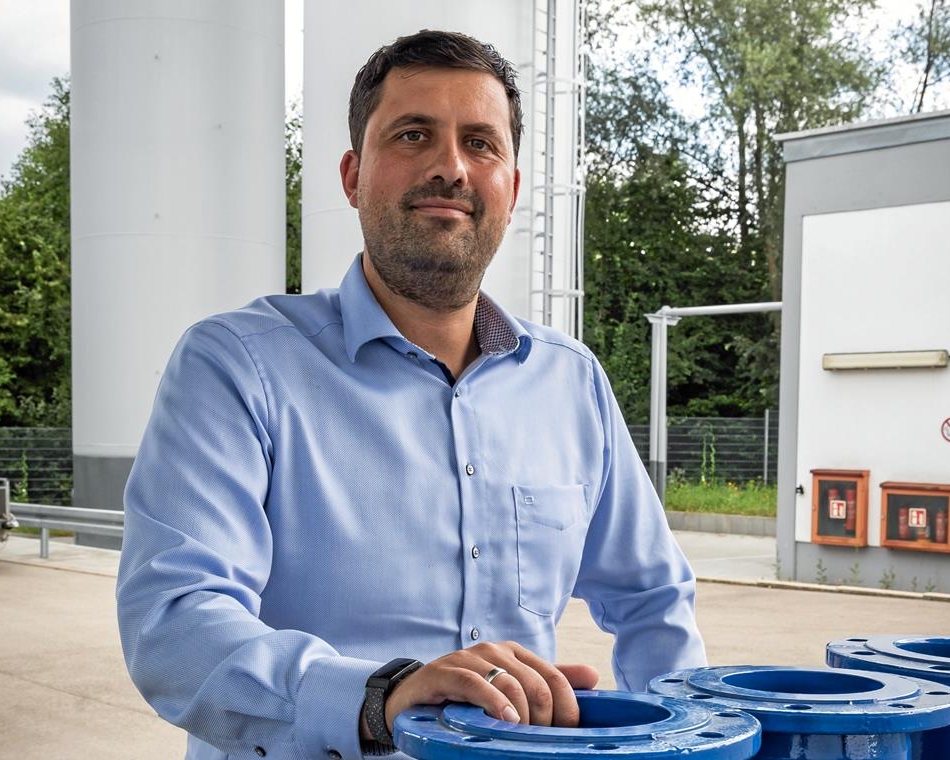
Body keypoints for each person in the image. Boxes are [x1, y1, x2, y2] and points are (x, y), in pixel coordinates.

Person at [117, 29, 705, 760]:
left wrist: (680, 740)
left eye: (481, 143)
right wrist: (378, 697)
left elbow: (654, 601)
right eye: (413, 134)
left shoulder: (570, 382)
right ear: (353, 176)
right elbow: (173, 622)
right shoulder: (238, 367)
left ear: (512, 189)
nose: (451, 167)